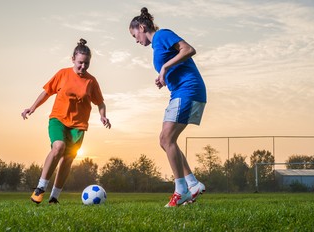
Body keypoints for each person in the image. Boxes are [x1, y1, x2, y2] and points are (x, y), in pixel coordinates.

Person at [129, 8, 207, 207]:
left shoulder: (162, 35)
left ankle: (181, 190)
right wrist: (164, 78)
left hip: (188, 90)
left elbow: (189, 49)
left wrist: (164, 68)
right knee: (167, 140)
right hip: (181, 91)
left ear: (141, 27)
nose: (136, 40)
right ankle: (192, 184)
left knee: (166, 138)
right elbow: (176, 65)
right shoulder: (157, 46)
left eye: (134, 35)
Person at [21, 39, 111, 204]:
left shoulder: (91, 81)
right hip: (58, 119)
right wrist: (32, 107)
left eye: (86, 63)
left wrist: (103, 115)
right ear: (73, 59)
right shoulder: (63, 74)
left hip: (78, 126)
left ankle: (54, 197)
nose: (83, 67)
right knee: (58, 147)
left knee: (68, 159)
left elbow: (100, 102)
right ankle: (40, 187)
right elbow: (47, 92)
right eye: (80, 63)